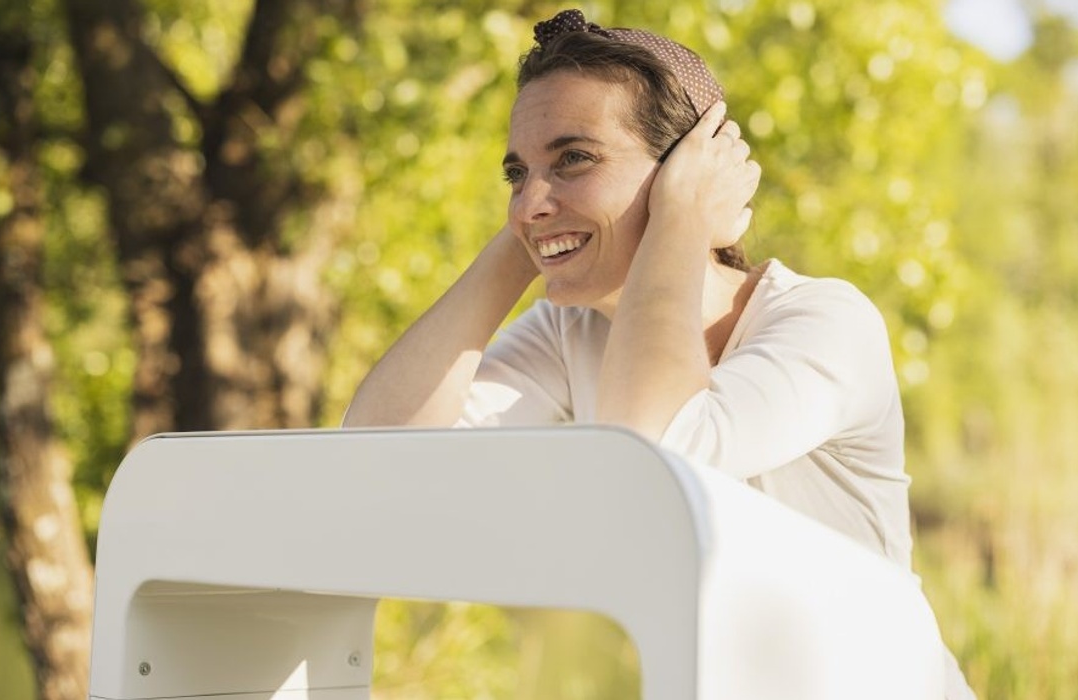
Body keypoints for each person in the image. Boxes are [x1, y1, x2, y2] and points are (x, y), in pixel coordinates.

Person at [344, 9, 975, 699]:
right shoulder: (571, 333)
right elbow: (380, 451)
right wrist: (524, 244)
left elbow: (658, 452)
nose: (529, 201)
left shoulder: (824, 322)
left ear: (688, 168)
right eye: (517, 174)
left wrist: (678, 214)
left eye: (573, 159)